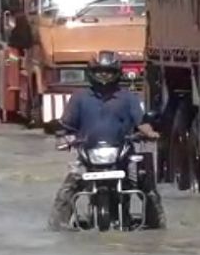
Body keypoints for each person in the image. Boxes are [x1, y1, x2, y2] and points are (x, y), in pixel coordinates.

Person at [48, 50, 162, 230]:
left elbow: (141, 123)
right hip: (88, 156)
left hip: (123, 155)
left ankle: (156, 224)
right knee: (68, 189)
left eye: (108, 71)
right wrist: (61, 134)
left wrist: (150, 133)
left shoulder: (128, 97)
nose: (104, 75)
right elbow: (67, 124)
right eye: (100, 70)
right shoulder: (79, 98)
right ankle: (57, 227)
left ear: (117, 73)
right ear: (91, 72)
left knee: (148, 187)